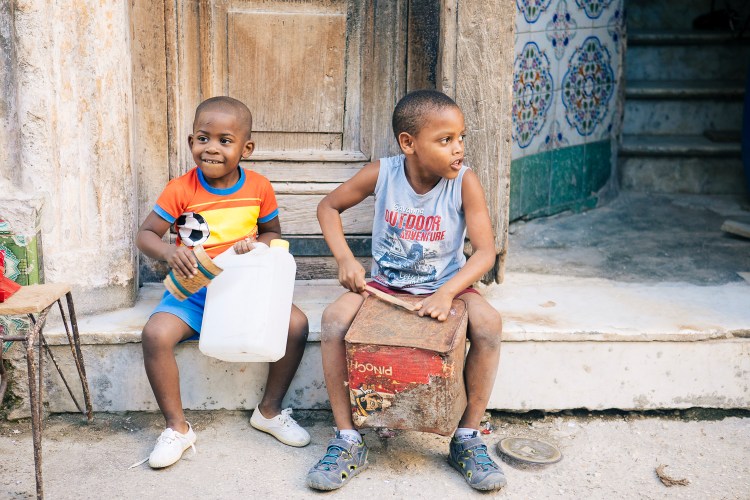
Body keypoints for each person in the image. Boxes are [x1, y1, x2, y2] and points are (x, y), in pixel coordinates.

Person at [306, 90, 506, 491]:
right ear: (408, 143)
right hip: (384, 286)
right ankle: (347, 438)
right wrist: (345, 259)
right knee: (333, 321)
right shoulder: (382, 173)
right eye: (445, 140)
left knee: (489, 325)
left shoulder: (464, 183)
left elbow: (485, 252)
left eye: (461, 138)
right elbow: (328, 207)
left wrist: (447, 293)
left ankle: (467, 438)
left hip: (446, 285)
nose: (458, 149)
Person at [136, 96, 310, 469]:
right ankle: (177, 429)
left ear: (246, 148)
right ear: (191, 142)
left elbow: (272, 232)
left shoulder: (259, 187)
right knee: (155, 334)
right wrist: (168, 252)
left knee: (296, 325)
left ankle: (269, 411)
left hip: (244, 290)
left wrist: (257, 245)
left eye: (224, 141)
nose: (211, 148)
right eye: (203, 138)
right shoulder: (180, 189)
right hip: (194, 291)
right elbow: (146, 234)